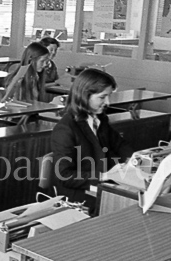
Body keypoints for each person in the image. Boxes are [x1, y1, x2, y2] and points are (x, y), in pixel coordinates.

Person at [51, 68, 132, 209]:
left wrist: (135, 160)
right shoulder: (65, 129)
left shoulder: (99, 119)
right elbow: (65, 176)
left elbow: (120, 144)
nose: (108, 102)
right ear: (85, 95)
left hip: (101, 185)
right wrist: (103, 176)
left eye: (109, 96)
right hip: (79, 197)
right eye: (102, 97)